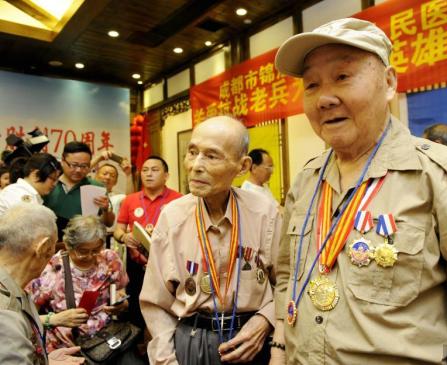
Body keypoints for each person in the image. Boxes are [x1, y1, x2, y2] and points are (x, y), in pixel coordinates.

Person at [270, 18, 447, 364]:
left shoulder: (442, 177)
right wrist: (279, 346)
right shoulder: (306, 181)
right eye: (311, 85)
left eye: (343, 77)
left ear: (389, 82)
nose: (324, 98)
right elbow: (289, 274)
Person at [140, 116, 282, 365]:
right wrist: (166, 361)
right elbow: (156, 302)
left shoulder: (265, 213)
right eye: (192, 152)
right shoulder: (173, 216)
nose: (195, 165)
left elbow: (287, 282)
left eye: (211, 156)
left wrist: (266, 320)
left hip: (253, 340)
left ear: (242, 166)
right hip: (193, 340)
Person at [27, 215, 130, 356]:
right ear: (68, 245)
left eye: (96, 249)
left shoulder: (109, 259)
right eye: (83, 251)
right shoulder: (51, 269)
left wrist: (121, 304)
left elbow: (120, 289)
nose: (90, 256)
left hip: (106, 341)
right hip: (65, 347)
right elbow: (27, 316)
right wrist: (57, 319)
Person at [0, 204, 84, 364]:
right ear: (43, 247)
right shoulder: (5, 313)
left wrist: (43, 360)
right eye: (54, 246)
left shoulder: (13, 287)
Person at [113, 155, 181, 331]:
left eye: (155, 170)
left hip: (165, 267)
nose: (148, 174)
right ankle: (139, 350)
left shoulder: (179, 200)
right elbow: (117, 230)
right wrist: (124, 237)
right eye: (145, 170)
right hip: (136, 267)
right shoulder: (130, 199)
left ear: (166, 175)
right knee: (136, 310)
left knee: (164, 310)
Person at [44, 142, 114, 240]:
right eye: (74, 165)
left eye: (84, 166)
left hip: (83, 246)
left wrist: (106, 210)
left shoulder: (96, 187)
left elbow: (109, 223)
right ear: (63, 160)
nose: (78, 170)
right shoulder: (49, 184)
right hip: (50, 244)